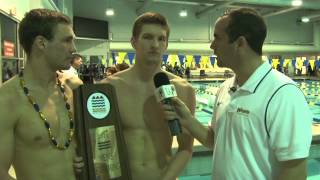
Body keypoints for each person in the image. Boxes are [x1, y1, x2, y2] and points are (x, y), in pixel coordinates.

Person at [162, 8, 312, 180]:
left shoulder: (283, 94)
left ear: (240, 43)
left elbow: (295, 172)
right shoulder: (226, 87)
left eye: (217, 38)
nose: (212, 45)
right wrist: (187, 120)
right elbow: (214, 140)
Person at [100, 12, 195, 180]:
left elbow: (185, 148)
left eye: (161, 39)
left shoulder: (183, 89)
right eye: (148, 37)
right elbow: (101, 145)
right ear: (134, 42)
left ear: (166, 44)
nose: (155, 45)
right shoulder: (109, 87)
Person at [0, 9, 83, 180]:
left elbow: (93, 143)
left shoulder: (74, 87)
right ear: (41, 43)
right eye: (67, 40)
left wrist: (88, 161)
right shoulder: (8, 99)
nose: (74, 49)